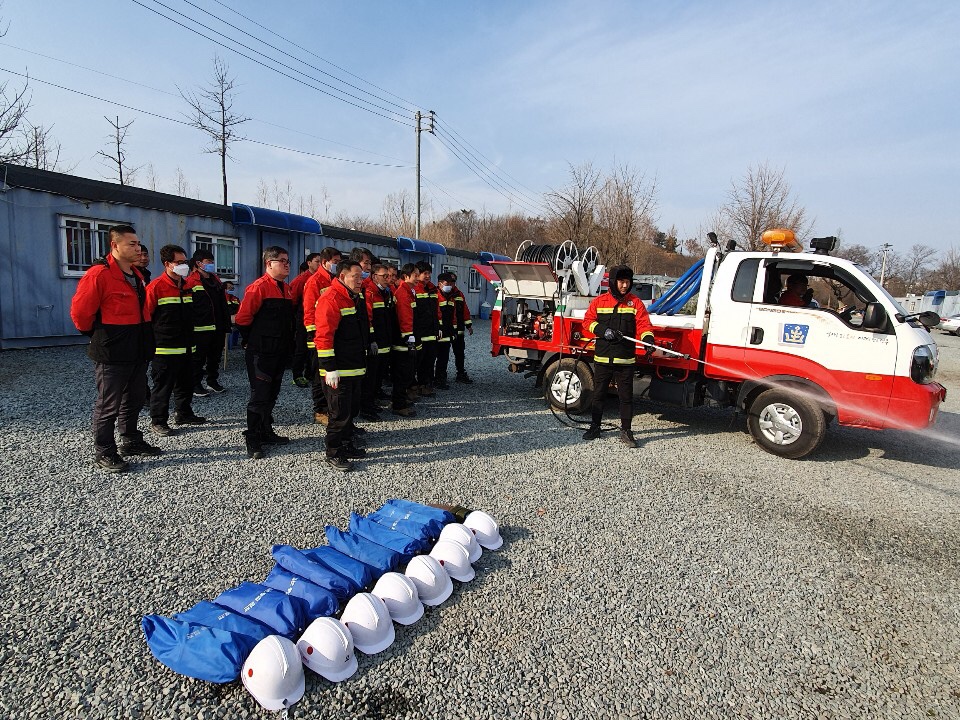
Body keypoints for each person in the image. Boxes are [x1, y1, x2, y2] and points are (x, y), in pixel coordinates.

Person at [70, 224, 159, 472]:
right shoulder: (99, 274)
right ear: (114, 245)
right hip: (113, 350)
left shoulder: (137, 274)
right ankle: (105, 452)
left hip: (138, 348)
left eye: (138, 243)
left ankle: (130, 440)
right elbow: (80, 313)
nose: (138, 247)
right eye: (131, 243)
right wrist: (97, 335)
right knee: (109, 403)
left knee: (135, 398)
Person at [582, 265, 655, 448]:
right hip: (603, 359)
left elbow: (644, 325)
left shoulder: (635, 303)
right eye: (621, 282)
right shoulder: (599, 302)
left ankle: (626, 431)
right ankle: (595, 427)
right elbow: (587, 322)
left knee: (626, 397)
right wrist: (602, 330)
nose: (624, 285)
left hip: (625, 361)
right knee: (598, 395)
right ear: (614, 282)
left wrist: (648, 341)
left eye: (627, 282)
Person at [235, 246, 295, 459]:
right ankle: (252, 437)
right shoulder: (258, 288)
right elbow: (243, 319)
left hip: (279, 352)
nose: (287, 264)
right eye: (282, 261)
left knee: (272, 394)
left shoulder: (286, 289)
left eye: (288, 261)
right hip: (261, 353)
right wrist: (251, 341)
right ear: (269, 264)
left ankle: (266, 431)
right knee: (259, 395)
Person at [146, 245, 206, 436]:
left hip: (187, 347)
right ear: (167, 264)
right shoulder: (156, 287)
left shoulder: (188, 286)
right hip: (165, 349)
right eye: (179, 263)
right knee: (162, 387)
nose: (184, 266)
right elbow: (146, 318)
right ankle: (158, 421)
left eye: (185, 262)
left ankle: (184, 414)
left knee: (186, 384)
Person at [315, 260, 369, 471]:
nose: (360, 281)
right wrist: (329, 368)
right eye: (355, 276)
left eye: (361, 276)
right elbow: (324, 336)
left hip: (354, 366)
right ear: (342, 276)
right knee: (338, 414)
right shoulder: (331, 298)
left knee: (350, 409)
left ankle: (347, 445)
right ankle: (334, 452)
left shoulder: (354, 297)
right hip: (338, 370)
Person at [302, 247, 341, 425]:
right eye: (335, 262)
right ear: (325, 263)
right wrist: (313, 334)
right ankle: (320, 410)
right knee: (319, 376)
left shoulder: (334, 279)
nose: (337, 265)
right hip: (317, 336)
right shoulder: (314, 281)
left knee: (330, 375)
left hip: (332, 335)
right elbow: (309, 310)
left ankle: (332, 408)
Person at [188, 248, 230, 394]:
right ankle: (195, 384)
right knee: (198, 358)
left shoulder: (215, 279)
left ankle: (212, 381)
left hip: (217, 324)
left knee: (215, 356)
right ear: (199, 263)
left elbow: (222, 302)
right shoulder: (191, 281)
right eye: (208, 261)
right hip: (201, 327)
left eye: (212, 261)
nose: (211, 264)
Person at [360, 263, 396, 420]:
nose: (388, 279)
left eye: (389, 276)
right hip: (375, 343)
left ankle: (374, 400)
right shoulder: (370, 293)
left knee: (379, 373)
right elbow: (368, 319)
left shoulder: (384, 292)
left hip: (385, 341)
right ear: (374, 276)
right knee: (370, 376)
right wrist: (372, 339)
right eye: (385, 276)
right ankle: (366, 408)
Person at [289, 252, 322, 387]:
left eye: (321, 261)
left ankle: (310, 373)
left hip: (318, 320)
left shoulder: (321, 279)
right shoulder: (301, 280)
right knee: (301, 348)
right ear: (309, 263)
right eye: (316, 261)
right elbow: (293, 301)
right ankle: (297, 375)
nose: (319, 264)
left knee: (313, 349)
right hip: (303, 318)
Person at [390, 264, 419, 417]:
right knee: (402, 373)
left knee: (407, 372)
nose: (418, 279)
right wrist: (409, 338)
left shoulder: (409, 291)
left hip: (406, 338)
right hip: (402, 341)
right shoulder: (403, 293)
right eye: (415, 275)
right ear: (406, 276)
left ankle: (401, 400)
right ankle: (399, 405)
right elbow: (405, 316)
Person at [412, 261, 439, 396]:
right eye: (425, 273)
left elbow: (437, 310)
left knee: (429, 361)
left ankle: (425, 384)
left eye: (429, 273)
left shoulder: (433, 289)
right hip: (419, 333)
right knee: (417, 362)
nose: (428, 276)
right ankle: (414, 386)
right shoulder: (414, 290)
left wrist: (438, 327)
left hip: (431, 333)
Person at [434, 272, 458, 389]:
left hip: (447, 333)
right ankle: (431, 380)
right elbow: (436, 314)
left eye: (450, 283)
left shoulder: (451, 297)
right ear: (440, 284)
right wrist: (438, 328)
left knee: (444, 358)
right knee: (433, 357)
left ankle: (440, 379)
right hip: (438, 333)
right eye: (446, 283)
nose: (449, 285)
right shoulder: (436, 296)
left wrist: (454, 330)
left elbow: (453, 316)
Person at [448, 272, 474, 384]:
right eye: (449, 282)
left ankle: (460, 373)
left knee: (459, 353)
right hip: (445, 330)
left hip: (458, 329)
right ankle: (439, 376)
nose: (451, 284)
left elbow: (465, 311)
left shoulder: (459, 294)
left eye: (453, 282)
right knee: (441, 354)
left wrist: (468, 325)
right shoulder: (438, 293)